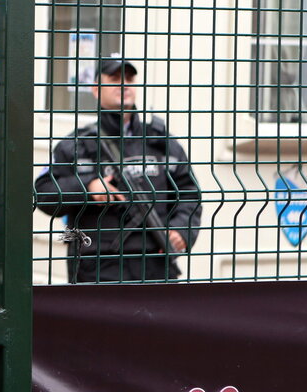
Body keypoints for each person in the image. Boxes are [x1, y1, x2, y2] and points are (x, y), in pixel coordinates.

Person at [34, 58, 202, 283]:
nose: (124, 85)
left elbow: (189, 193)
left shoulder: (161, 141)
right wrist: (87, 187)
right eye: (114, 79)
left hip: (154, 263)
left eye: (129, 79)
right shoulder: (75, 144)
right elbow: (43, 193)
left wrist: (182, 231)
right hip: (96, 267)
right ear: (96, 89)